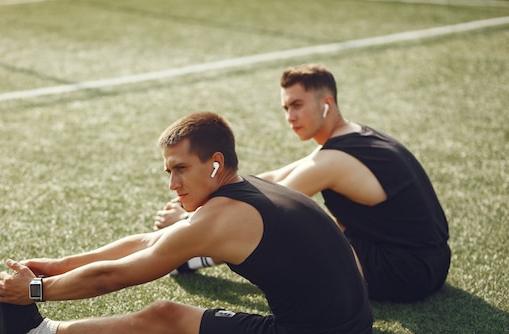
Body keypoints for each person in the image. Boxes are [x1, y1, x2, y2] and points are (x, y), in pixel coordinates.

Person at [0, 111, 373, 334]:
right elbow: (149, 240)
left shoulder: (221, 217)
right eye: (168, 171)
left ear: (214, 163)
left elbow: (113, 277)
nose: (173, 184)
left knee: (164, 316)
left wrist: (34, 290)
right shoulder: (251, 187)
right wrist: (59, 265)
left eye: (182, 169)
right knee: (169, 306)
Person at [155, 64, 451, 303]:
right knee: (324, 227)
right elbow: (271, 179)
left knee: (286, 234)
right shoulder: (350, 137)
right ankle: (194, 257)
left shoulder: (333, 161)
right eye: (285, 108)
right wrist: (211, 189)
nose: (290, 117)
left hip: (409, 271)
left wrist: (187, 219)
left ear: (326, 104)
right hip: (428, 258)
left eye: (297, 105)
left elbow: (262, 208)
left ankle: (193, 257)